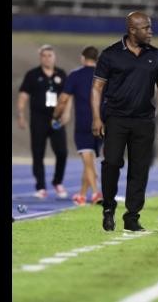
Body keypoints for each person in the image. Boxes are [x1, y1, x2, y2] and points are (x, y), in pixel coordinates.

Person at [91, 11, 158, 232]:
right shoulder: (110, 54)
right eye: (146, 28)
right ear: (132, 30)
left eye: (150, 27)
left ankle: (132, 216)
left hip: (144, 121)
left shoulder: (156, 55)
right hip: (116, 119)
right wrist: (97, 117)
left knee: (139, 170)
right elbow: (97, 88)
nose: (151, 31)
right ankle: (108, 208)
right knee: (111, 164)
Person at [52, 46, 104, 206]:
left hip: (83, 123)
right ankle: (82, 195)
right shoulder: (105, 76)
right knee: (90, 161)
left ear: (83, 58)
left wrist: (55, 115)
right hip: (101, 123)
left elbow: (63, 99)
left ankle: (96, 193)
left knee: (88, 161)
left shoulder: (75, 75)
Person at [17, 44, 69, 199]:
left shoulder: (61, 74)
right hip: (38, 119)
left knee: (62, 152)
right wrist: (21, 115)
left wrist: (66, 113)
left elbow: (67, 96)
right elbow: (23, 96)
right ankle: (40, 186)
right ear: (40, 57)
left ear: (54, 57)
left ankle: (57, 182)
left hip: (56, 119)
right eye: (44, 55)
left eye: (50, 55)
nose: (47, 58)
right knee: (38, 153)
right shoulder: (32, 75)